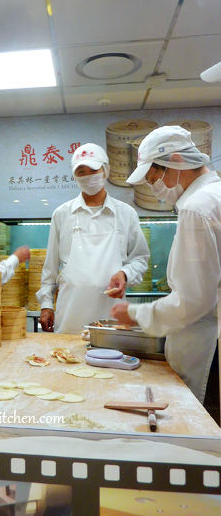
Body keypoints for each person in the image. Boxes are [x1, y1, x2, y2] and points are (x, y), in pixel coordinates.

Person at [111, 126, 220, 406]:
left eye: (153, 177)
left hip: (206, 349)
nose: (154, 187)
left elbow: (192, 301)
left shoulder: (197, 208)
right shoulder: (213, 196)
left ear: (176, 163)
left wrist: (137, 313)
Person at [37, 143, 149, 334]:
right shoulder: (62, 214)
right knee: (67, 359)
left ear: (105, 171)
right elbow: (51, 267)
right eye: (81, 171)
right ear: (75, 176)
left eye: (93, 170)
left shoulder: (125, 213)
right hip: (70, 312)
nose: (88, 176)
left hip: (110, 314)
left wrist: (125, 274)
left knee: (110, 359)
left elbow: (140, 258)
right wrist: (46, 304)